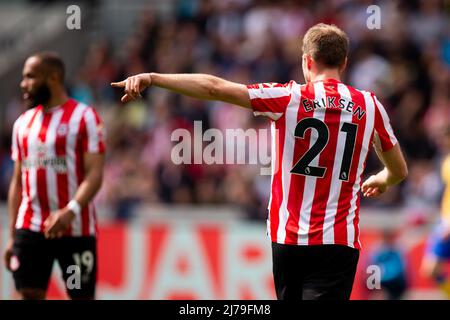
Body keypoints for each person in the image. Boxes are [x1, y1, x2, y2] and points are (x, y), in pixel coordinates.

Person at [111, 23, 408, 300]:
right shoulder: (369, 105)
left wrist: (153, 78)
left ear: (307, 61)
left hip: (288, 239)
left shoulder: (288, 97)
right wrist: (383, 179)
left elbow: (214, 87)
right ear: (344, 63)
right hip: (337, 242)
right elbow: (399, 170)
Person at [3, 52, 105, 300]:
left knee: (81, 296)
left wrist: (70, 210)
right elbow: (18, 182)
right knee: (27, 294)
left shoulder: (84, 117)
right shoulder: (22, 124)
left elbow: (95, 173)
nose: (23, 83)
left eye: (30, 76)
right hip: (31, 227)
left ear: (53, 77)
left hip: (75, 229)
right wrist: (11, 236)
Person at [420, 125, 450, 298]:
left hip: (448, 222)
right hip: (444, 218)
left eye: (443, 137)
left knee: (431, 269)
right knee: (430, 270)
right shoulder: (445, 160)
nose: (439, 142)